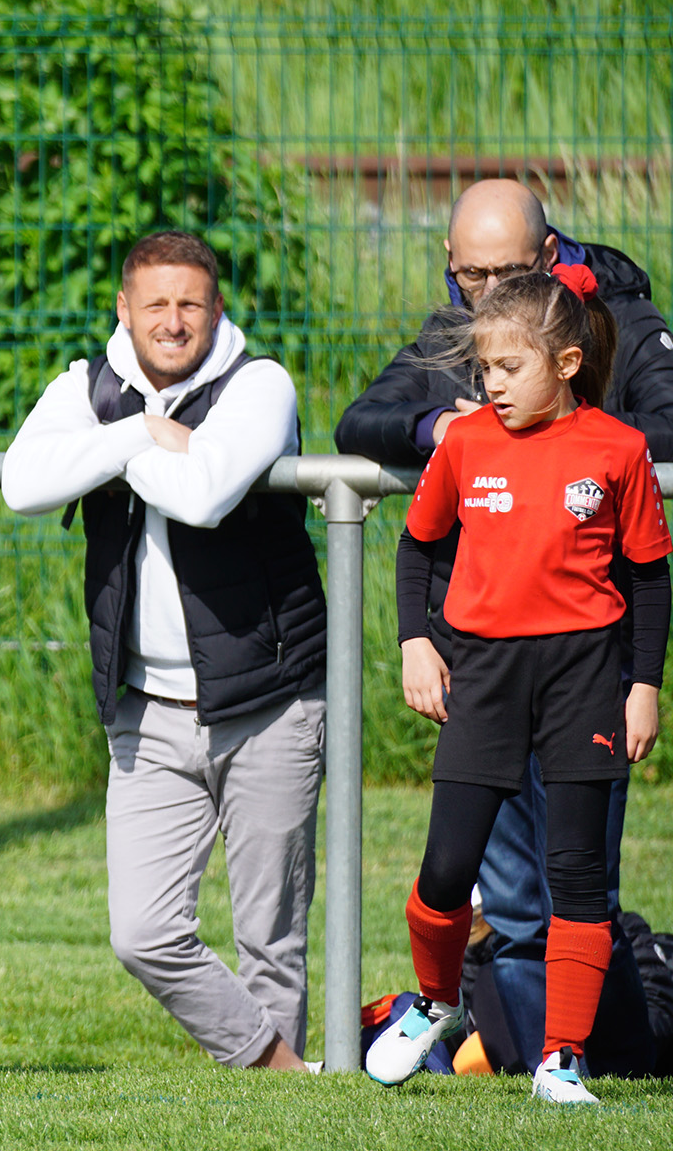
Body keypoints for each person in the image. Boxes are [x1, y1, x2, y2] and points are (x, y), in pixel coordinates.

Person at [335, 178, 673, 1075]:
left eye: (505, 274)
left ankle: (577, 1059)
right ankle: (450, 1012)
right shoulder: (457, 360)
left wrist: (643, 683)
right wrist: (433, 426)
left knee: (575, 883)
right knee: (476, 881)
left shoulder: (624, 342)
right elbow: (364, 429)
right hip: (481, 665)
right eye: (469, 276)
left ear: (548, 259)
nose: (484, 297)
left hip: (586, 670)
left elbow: (651, 551)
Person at [1, 230, 326, 1071]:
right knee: (142, 932)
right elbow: (22, 483)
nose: (173, 321)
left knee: (271, 939)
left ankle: (279, 1106)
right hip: (146, 712)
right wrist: (144, 433)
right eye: (155, 304)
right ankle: (279, 1068)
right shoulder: (89, 383)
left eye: (190, 304)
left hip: (270, 699)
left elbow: (205, 496)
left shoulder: (259, 384)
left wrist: (106, 452)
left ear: (216, 308)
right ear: (125, 308)